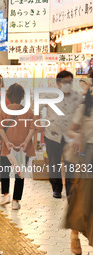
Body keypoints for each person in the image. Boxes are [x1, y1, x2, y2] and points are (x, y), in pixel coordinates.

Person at [42, 71, 82, 199]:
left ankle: (70, 191)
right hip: (52, 135)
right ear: (58, 83)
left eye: (70, 82)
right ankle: (56, 188)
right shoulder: (49, 95)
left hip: (70, 137)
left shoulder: (77, 97)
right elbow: (35, 106)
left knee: (70, 163)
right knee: (54, 163)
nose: (68, 85)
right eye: (65, 82)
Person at [65, 75, 93, 254]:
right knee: (83, 198)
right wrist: (78, 137)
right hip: (88, 155)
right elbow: (70, 129)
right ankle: (75, 233)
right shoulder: (84, 107)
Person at [0, 83, 36, 210]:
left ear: (8, 96)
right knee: (20, 174)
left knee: (4, 171)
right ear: (22, 97)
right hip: (22, 148)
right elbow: (32, 128)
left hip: (7, 147)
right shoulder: (28, 111)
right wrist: (25, 142)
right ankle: (16, 201)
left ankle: (5, 195)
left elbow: (0, 129)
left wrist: (7, 142)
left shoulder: (4, 110)